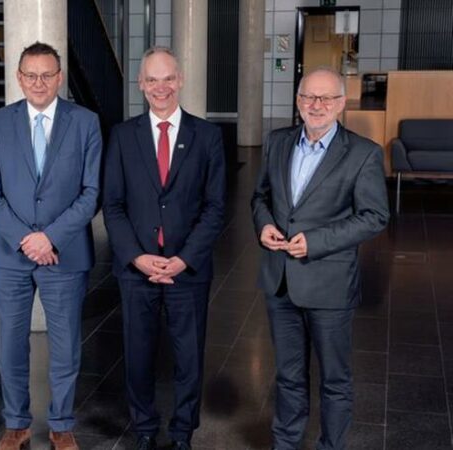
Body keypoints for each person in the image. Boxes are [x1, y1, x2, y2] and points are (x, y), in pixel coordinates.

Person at [251, 66, 389, 450]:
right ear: (297, 101)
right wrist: (263, 226)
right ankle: (286, 444)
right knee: (288, 376)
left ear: (341, 104)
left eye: (327, 97)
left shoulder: (363, 154)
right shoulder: (277, 141)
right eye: (309, 96)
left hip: (329, 285)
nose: (317, 105)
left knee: (334, 379)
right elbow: (261, 196)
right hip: (280, 282)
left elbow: (375, 217)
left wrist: (316, 241)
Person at [0, 41, 101, 450]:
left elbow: (91, 191)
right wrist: (26, 239)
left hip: (64, 252)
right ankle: (16, 423)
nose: (39, 82)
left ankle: (62, 424)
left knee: (65, 344)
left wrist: (51, 237)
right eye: (31, 74)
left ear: (60, 77)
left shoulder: (85, 122)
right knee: (11, 343)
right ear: (19, 77)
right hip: (10, 254)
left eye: (47, 74)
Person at [102, 46, 226, 450]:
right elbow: (113, 205)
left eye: (168, 78)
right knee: (137, 357)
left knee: (188, 359)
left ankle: (182, 433)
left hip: (187, 271)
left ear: (181, 80)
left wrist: (183, 259)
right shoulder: (122, 136)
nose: (161, 87)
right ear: (141, 84)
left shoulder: (207, 136)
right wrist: (137, 257)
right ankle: (143, 429)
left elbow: (215, 207)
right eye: (152, 80)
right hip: (136, 270)